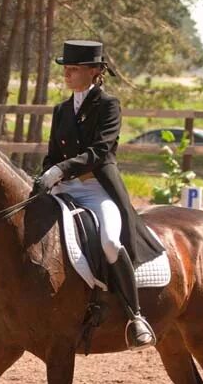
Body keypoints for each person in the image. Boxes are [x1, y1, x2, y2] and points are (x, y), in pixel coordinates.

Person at [31, 39, 164, 351]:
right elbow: (52, 155)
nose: (67, 74)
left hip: (95, 188)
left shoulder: (107, 106)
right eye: (66, 68)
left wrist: (60, 170)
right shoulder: (61, 110)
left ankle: (135, 316)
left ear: (94, 72)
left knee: (108, 242)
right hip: (63, 187)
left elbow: (100, 151)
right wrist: (48, 174)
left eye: (74, 69)